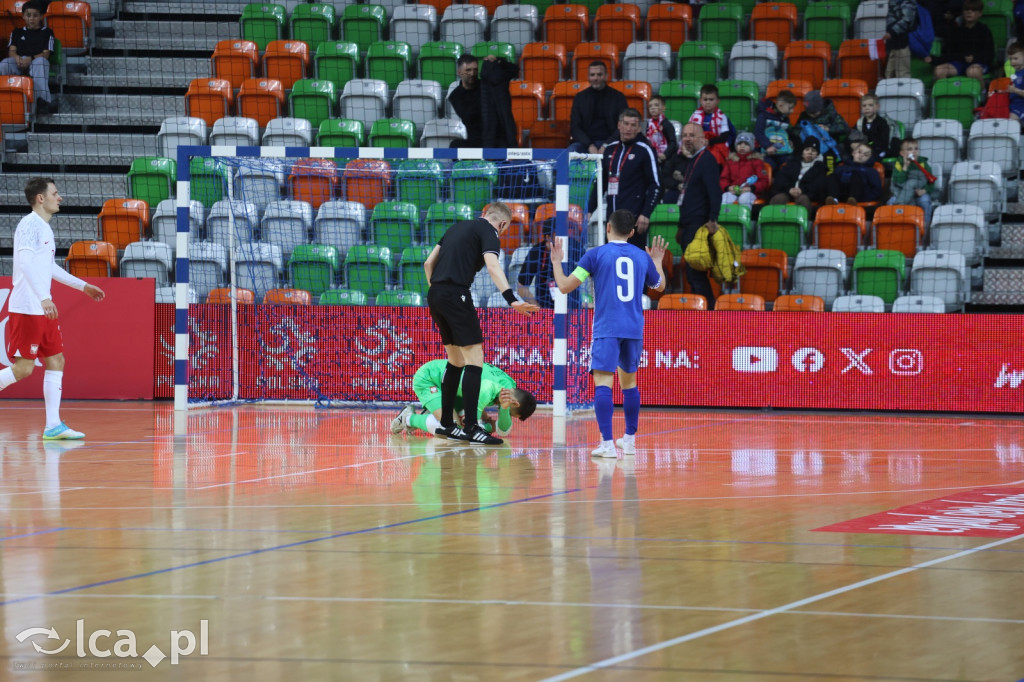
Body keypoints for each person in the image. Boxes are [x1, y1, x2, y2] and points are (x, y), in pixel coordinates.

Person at [549, 210, 667, 457]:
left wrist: (556, 262)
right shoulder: (640, 257)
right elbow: (659, 287)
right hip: (634, 329)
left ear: (608, 228)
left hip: (607, 328)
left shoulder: (595, 255)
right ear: (633, 232)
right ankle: (630, 441)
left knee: (604, 383)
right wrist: (656, 261)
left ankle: (607, 444)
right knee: (630, 384)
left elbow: (564, 287)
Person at [423, 202, 539, 445]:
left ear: (483, 213)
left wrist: (438, 292)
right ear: (503, 223)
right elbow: (493, 264)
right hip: (456, 293)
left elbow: (428, 263)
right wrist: (511, 299)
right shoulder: (489, 231)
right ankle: (472, 428)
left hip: (435, 294)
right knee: (474, 360)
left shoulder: (456, 227)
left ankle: (447, 424)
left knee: (455, 361)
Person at [0, 177, 105, 439]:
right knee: (23, 369)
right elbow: (25, 264)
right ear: (40, 198)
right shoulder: (29, 225)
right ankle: (53, 425)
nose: (60, 198)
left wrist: (82, 286)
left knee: (56, 360)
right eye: (55, 193)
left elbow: (48, 267)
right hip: (27, 307)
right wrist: (44, 297)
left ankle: (53, 425)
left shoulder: (45, 229)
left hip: (41, 307)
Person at [391, 360, 537, 437]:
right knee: (448, 428)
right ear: (515, 403)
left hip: (456, 389)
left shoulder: (511, 386)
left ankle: (431, 415)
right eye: (511, 414)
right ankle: (409, 418)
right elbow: (499, 431)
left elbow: (501, 430)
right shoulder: (488, 388)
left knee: (470, 425)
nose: (507, 416)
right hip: (430, 377)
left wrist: (502, 410)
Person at [588, 108, 660, 249]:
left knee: (633, 263)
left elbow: (655, 185)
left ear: (639, 128)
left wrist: (645, 214)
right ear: (619, 125)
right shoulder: (609, 149)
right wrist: (589, 210)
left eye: (633, 125)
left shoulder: (645, 150)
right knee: (610, 262)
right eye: (626, 124)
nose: (628, 128)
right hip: (612, 220)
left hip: (633, 221)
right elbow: (600, 184)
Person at [674, 122, 722, 308]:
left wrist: (713, 219)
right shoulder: (694, 160)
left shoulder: (707, 160)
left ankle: (707, 313)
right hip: (688, 226)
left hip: (699, 225)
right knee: (693, 275)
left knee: (696, 275)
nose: (687, 138)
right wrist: (680, 226)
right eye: (684, 135)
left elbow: (715, 193)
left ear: (703, 139)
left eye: (691, 135)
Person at [447, 53, 520, 148]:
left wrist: (498, 61)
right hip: (476, 141)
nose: (472, 74)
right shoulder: (455, 95)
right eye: (468, 70)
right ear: (459, 72)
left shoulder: (486, 84)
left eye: (475, 70)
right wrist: (487, 100)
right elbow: (468, 116)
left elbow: (514, 70)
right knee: (454, 146)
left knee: (503, 144)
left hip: (495, 139)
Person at [0, 0, 57, 114]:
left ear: (41, 17)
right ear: (23, 16)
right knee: (4, 63)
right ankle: (6, 99)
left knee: (41, 62)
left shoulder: (47, 32)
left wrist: (29, 59)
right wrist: (17, 58)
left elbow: (46, 54)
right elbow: (12, 51)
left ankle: (43, 102)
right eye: (28, 15)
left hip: (35, 61)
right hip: (19, 62)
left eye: (35, 15)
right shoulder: (17, 32)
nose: (32, 18)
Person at [516, 219, 584, 309]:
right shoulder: (536, 252)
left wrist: (591, 302)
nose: (563, 237)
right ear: (548, 237)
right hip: (546, 308)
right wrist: (537, 308)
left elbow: (593, 272)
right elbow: (521, 286)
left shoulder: (574, 246)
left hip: (573, 308)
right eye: (558, 234)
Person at [928, 0, 994, 89]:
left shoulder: (984, 31)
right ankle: (943, 98)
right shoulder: (956, 31)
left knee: (973, 72)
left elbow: (990, 55)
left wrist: (974, 58)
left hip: (978, 63)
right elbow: (948, 53)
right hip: (959, 63)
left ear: (979, 14)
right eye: (967, 10)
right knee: (939, 70)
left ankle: (983, 97)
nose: (969, 12)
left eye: (973, 10)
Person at [569, 61, 628, 154]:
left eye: (599, 74)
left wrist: (606, 145)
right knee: (572, 151)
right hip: (585, 144)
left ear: (606, 76)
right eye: (592, 75)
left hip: (613, 142)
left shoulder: (618, 97)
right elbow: (575, 127)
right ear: (588, 77)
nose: (596, 78)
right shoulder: (579, 98)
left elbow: (623, 125)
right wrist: (589, 145)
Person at [768, 137, 829, 213]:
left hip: (807, 195)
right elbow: (780, 179)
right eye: (807, 150)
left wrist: (802, 190)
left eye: (813, 151)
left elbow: (818, 185)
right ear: (802, 152)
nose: (810, 153)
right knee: (778, 199)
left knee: (803, 200)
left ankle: (802, 223)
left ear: (817, 154)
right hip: (788, 192)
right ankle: (772, 223)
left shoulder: (820, 168)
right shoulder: (792, 164)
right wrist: (789, 189)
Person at [888, 137, 936, 224]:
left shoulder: (923, 163)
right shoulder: (898, 163)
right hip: (901, 192)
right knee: (891, 202)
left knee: (925, 201)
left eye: (916, 149)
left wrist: (924, 190)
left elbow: (931, 182)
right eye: (910, 149)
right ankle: (894, 225)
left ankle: (925, 225)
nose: (914, 151)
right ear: (902, 153)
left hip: (919, 193)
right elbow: (898, 182)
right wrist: (905, 167)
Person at [688, 84, 736, 165]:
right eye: (705, 99)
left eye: (711, 99)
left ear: (717, 101)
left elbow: (724, 137)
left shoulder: (721, 116)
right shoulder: (695, 116)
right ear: (700, 101)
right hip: (699, 142)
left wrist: (709, 142)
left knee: (716, 155)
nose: (708, 102)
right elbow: (689, 132)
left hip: (715, 144)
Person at [719, 131, 770, 208]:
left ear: (751, 146)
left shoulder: (757, 161)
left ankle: (745, 219)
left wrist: (751, 188)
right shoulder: (730, 161)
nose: (742, 146)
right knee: (725, 198)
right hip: (733, 191)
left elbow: (763, 181)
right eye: (739, 144)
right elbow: (723, 178)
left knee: (745, 199)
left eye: (746, 144)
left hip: (750, 192)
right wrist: (728, 187)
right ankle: (724, 220)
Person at [754, 89, 797, 168]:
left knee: (789, 164)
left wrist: (789, 141)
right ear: (780, 106)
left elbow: (786, 133)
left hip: (781, 151)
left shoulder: (786, 118)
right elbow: (758, 133)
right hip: (765, 151)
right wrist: (768, 146)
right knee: (769, 165)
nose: (792, 111)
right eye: (790, 108)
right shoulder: (764, 115)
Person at [855, 94, 897, 164]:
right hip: (862, 149)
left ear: (877, 107)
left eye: (870, 105)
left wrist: (867, 146)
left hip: (879, 150)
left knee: (870, 158)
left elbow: (883, 142)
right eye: (864, 106)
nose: (867, 108)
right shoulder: (860, 122)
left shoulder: (882, 123)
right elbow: (853, 135)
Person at [883, 0, 918, 79]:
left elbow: (907, 19)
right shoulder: (892, 1)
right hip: (893, 43)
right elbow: (890, 18)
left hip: (904, 43)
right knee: (889, 74)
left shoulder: (909, 2)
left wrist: (892, 32)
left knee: (902, 74)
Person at [644, 95, 678, 165]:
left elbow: (673, 143)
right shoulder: (648, 124)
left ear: (663, 108)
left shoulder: (667, 124)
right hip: (652, 156)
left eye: (656, 105)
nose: (653, 108)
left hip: (666, 158)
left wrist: (665, 154)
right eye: (650, 106)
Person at [1006, 42, 1024, 124]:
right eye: (1010, 59)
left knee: (1011, 121)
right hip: (1013, 105)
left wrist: (1015, 90)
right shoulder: (1016, 73)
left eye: (1015, 58)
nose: (1012, 62)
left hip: (1021, 106)